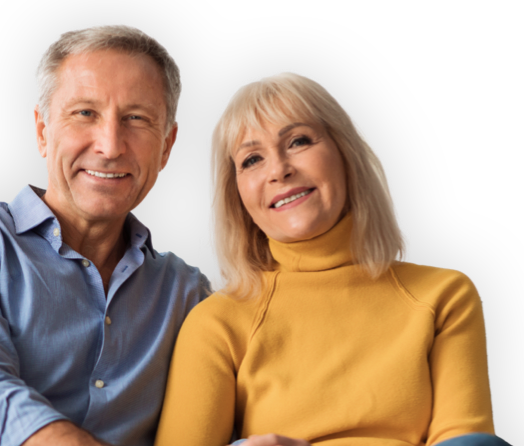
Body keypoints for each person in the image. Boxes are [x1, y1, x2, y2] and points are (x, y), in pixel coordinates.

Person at [0, 23, 209, 446]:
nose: (110, 145)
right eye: (84, 113)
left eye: (136, 119)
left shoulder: (188, 294)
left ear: (167, 145)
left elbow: (203, 428)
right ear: (42, 130)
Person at [154, 71, 510, 446]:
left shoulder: (444, 294)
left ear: (345, 154)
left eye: (298, 141)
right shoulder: (216, 323)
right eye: (252, 159)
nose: (279, 170)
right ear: (237, 196)